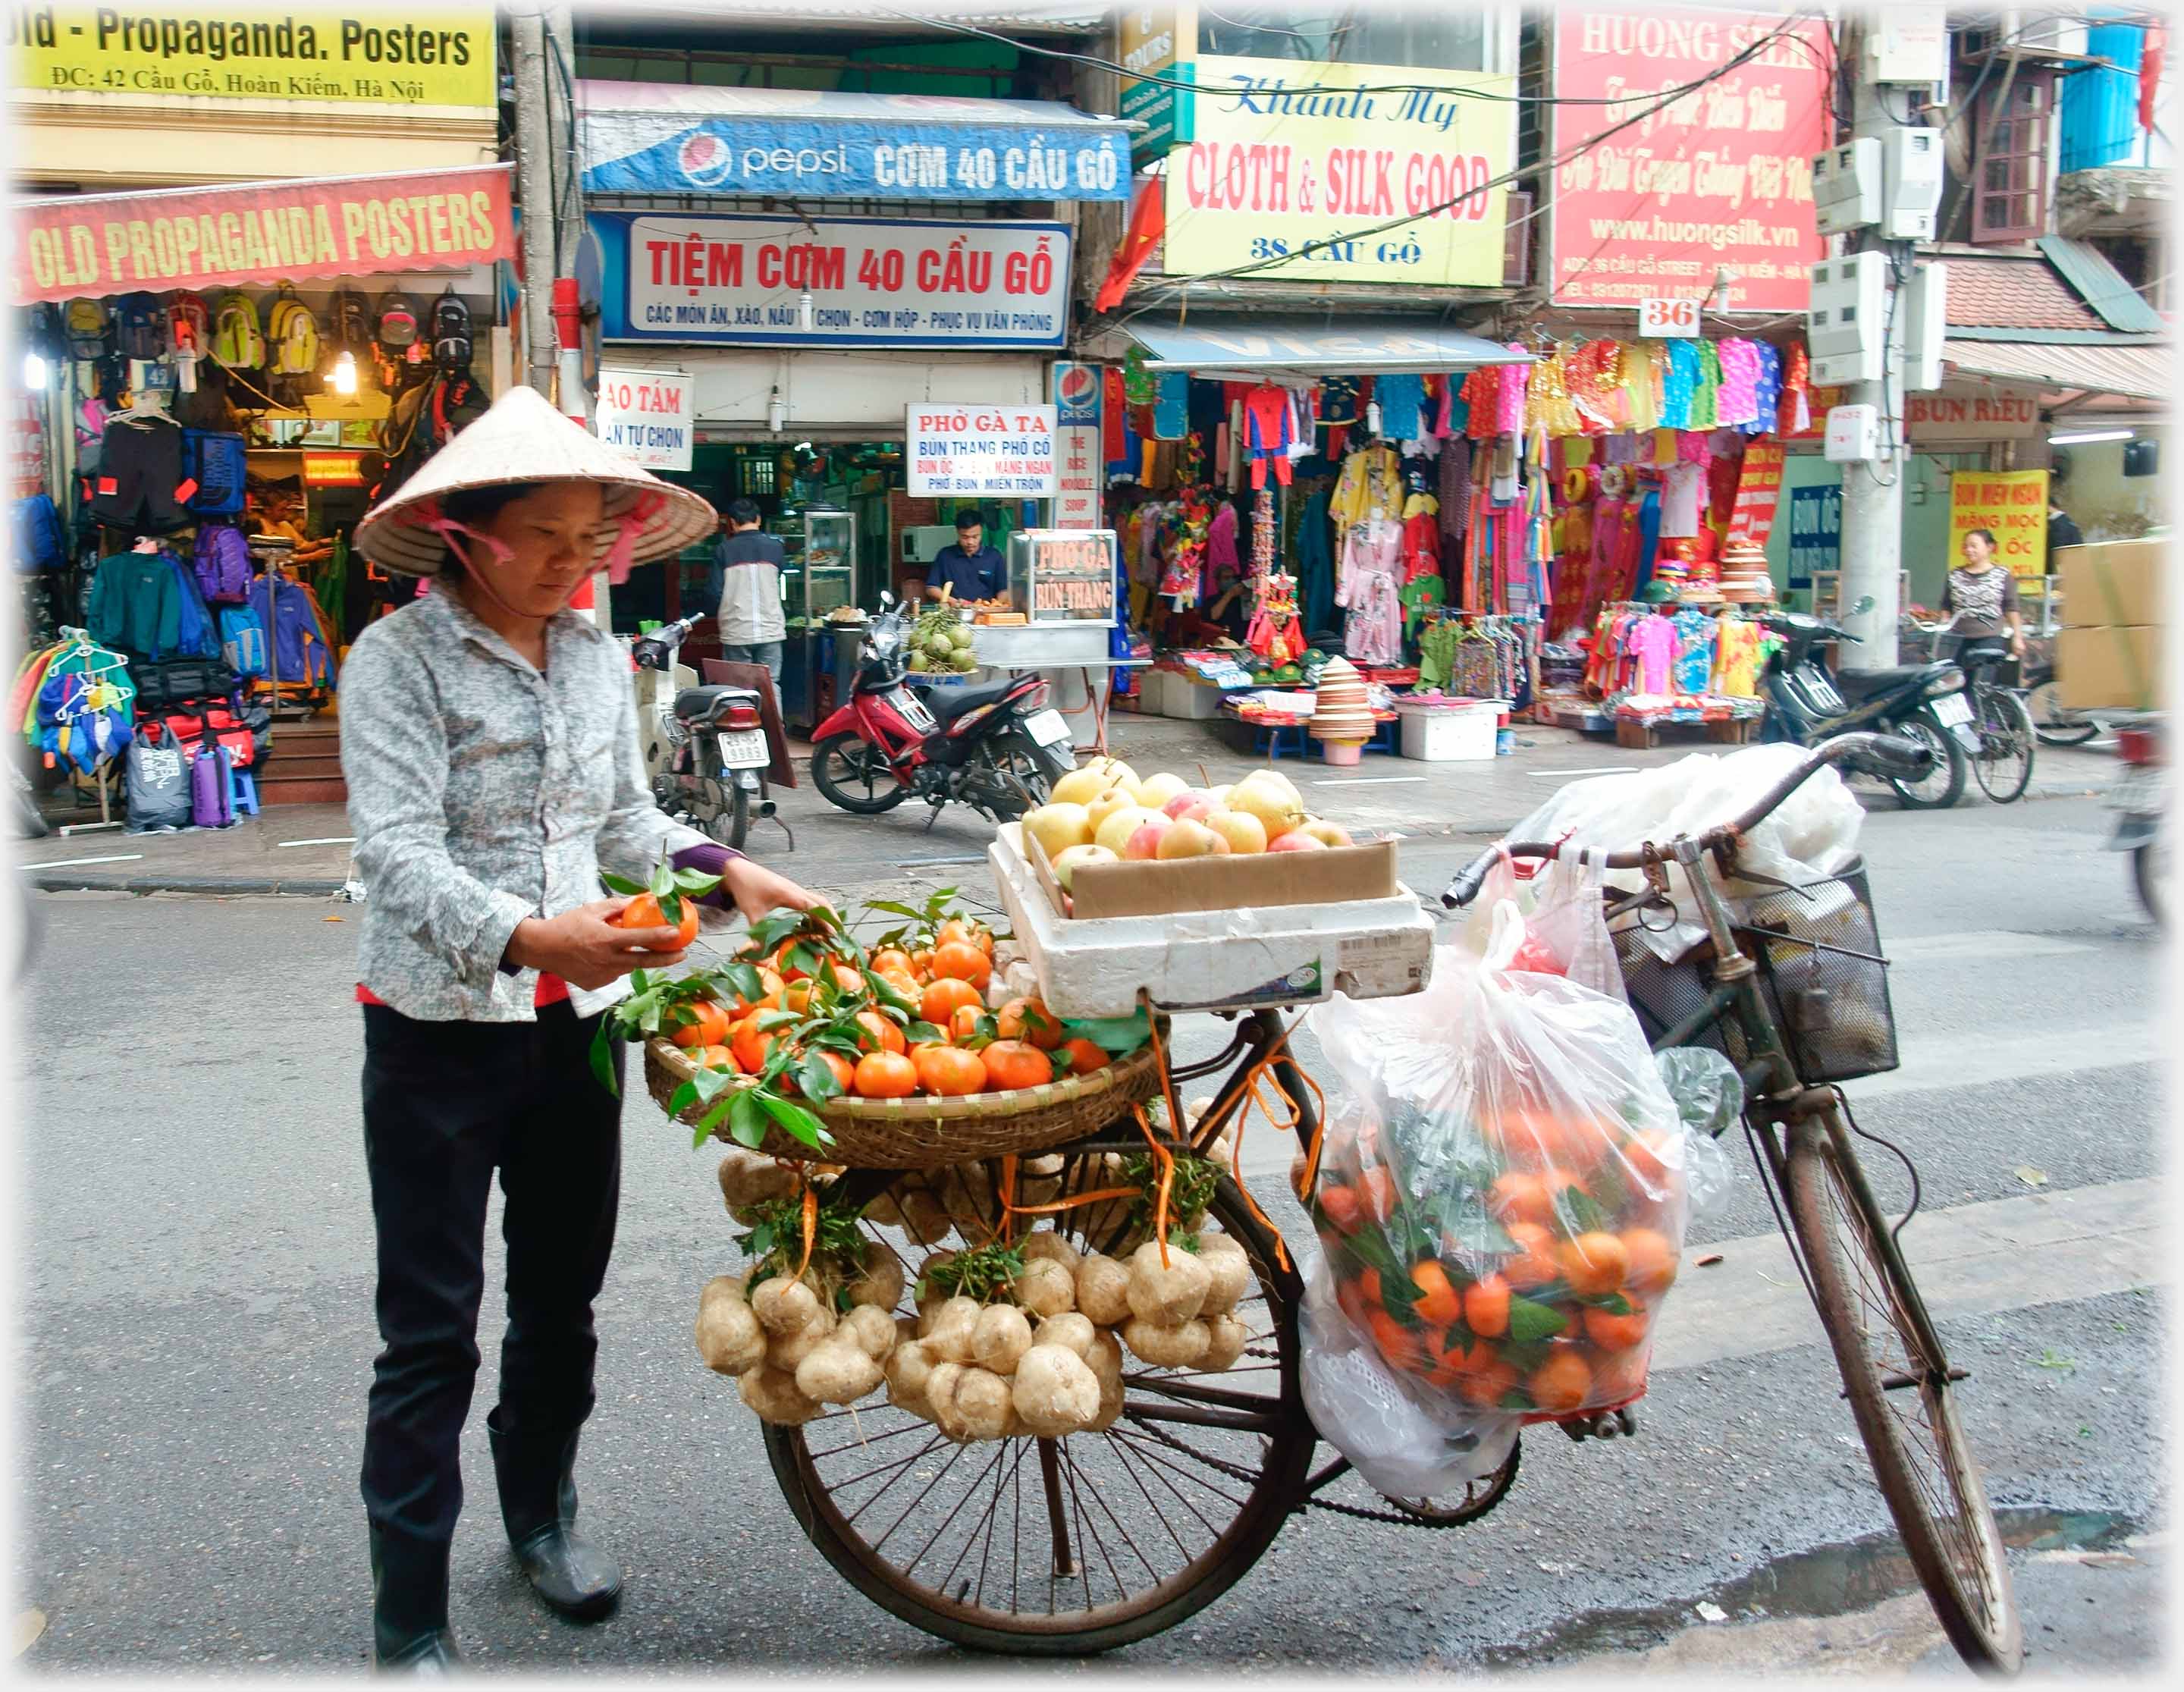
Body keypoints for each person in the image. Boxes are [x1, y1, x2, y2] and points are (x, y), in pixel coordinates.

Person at [340, 385, 817, 1671]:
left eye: (591, 534)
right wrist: (530, 934)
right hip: (439, 1027)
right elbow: (394, 854)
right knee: (430, 1328)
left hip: (579, 1029)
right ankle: (410, 1616)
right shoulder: (396, 662)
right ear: (465, 533)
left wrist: (727, 866)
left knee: (561, 1300)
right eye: (548, 534)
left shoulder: (601, 657)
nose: (578, 559)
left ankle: (541, 1517)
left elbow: (623, 825)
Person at [707, 496, 786, 684]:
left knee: (739, 689)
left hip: (736, 630)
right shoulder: (776, 548)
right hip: (771, 628)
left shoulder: (723, 550)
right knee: (770, 685)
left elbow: (714, 592)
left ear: (732, 523)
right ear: (758, 519)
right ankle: (772, 715)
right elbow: (779, 578)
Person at [1941, 527, 2026, 681]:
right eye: (1966, 546)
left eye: (1974, 546)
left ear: (1989, 548)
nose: (1968, 550)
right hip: (1958, 640)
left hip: (1989, 638)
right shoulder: (1954, 575)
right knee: (1958, 683)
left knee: (1982, 684)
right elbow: (1946, 606)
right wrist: (1944, 628)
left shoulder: (2002, 575)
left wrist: (2018, 637)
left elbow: (2011, 607)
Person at [924, 510, 1006, 602]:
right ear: (957, 532)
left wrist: (996, 605)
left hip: (987, 612)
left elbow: (1003, 590)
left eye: (975, 537)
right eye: (965, 537)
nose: (970, 542)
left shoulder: (994, 556)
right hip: (954, 612)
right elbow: (931, 588)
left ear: (982, 531)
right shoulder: (945, 555)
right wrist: (954, 602)